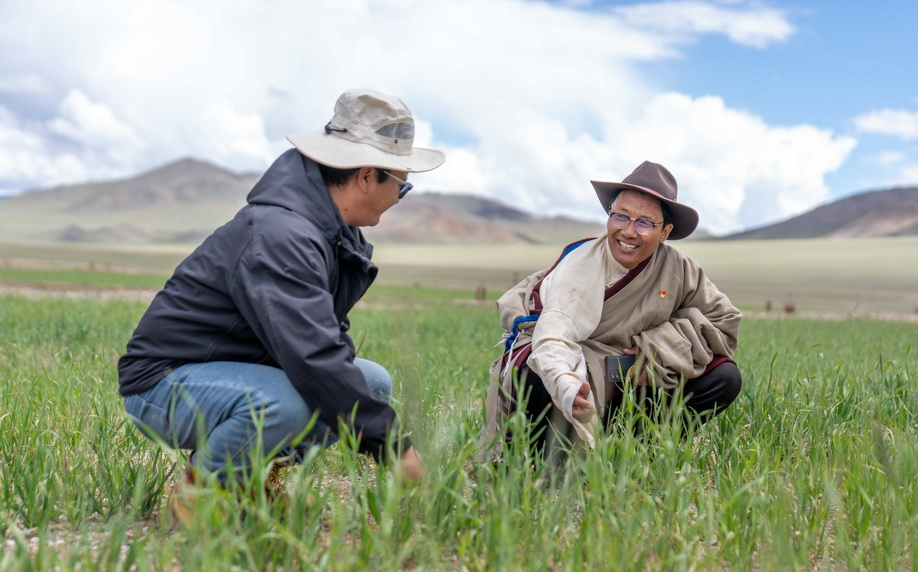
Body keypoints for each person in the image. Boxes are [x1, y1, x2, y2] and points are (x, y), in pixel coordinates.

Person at [118, 88, 445, 511]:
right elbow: (313, 356)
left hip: (230, 370)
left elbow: (324, 343)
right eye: (402, 186)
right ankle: (205, 494)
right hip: (164, 383)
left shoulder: (327, 231)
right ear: (366, 176)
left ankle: (249, 477)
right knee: (287, 403)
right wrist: (395, 448)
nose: (399, 199)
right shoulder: (282, 234)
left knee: (372, 382)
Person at [481, 161, 742, 461]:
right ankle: (541, 460)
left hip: (638, 378)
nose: (628, 231)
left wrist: (657, 350)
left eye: (644, 223)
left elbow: (724, 320)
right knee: (532, 370)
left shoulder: (679, 269)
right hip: (581, 370)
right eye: (620, 217)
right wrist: (567, 385)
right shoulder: (582, 264)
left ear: (665, 232)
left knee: (724, 376)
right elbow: (552, 338)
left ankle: (639, 451)